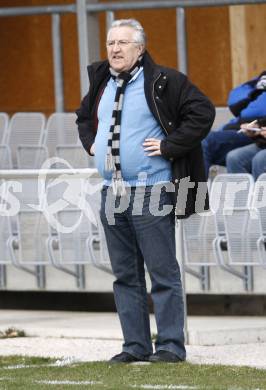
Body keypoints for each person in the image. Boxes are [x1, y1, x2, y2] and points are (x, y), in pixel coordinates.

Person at [76, 19, 215, 363]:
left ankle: (169, 345)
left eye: (123, 42)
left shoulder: (164, 80)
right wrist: (90, 144)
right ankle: (135, 346)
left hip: (151, 189)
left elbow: (203, 112)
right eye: (110, 43)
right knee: (125, 275)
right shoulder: (101, 81)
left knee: (162, 271)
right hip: (112, 192)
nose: (115, 49)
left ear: (140, 49)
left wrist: (170, 146)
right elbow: (82, 117)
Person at [202, 72, 266, 175]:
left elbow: (255, 110)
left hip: (255, 138)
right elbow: (234, 100)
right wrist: (258, 125)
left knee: (260, 159)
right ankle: (197, 190)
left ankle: (260, 191)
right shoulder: (261, 76)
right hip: (257, 136)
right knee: (234, 157)